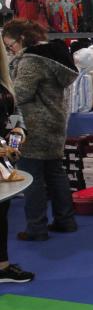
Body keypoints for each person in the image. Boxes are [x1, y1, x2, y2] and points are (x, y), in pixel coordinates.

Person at [3, 19, 78, 241]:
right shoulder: (51, 56)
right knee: (55, 173)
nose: (10, 50)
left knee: (31, 176)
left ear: (22, 38)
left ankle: (36, 228)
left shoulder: (30, 61)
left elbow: (20, 94)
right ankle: (66, 220)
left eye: (10, 45)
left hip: (32, 125)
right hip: (54, 123)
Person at [0, 38, 33, 283]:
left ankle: (2, 266)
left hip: (4, 159)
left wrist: (18, 133)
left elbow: (13, 113)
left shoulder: (3, 81)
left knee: (3, 209)